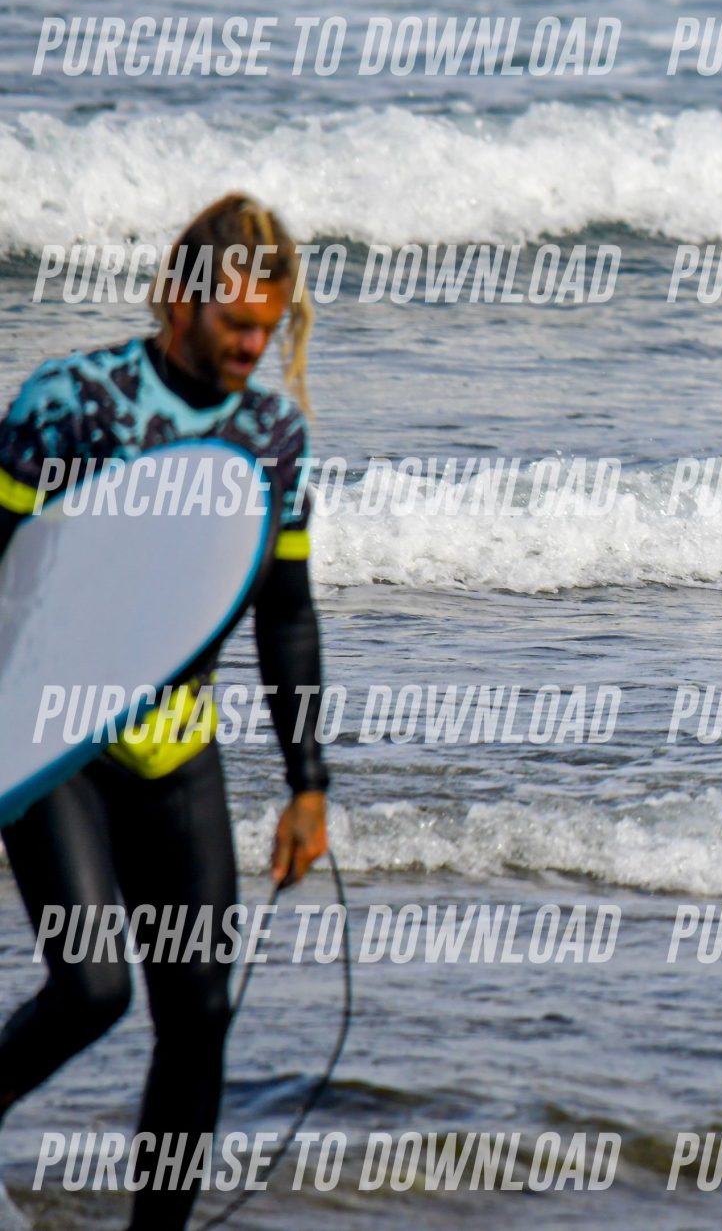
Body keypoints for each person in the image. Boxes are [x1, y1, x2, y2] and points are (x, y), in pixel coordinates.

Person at [0, 194, 331, 1231]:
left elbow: (286, 615)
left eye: (267, 328)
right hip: (55, 740)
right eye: (235, 322)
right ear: (182, 300)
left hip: (178, 752)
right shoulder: (71, 403)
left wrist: (308, 785)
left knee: (198, 1017)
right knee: (94, 987)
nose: (251, 346)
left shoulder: (273, 437)